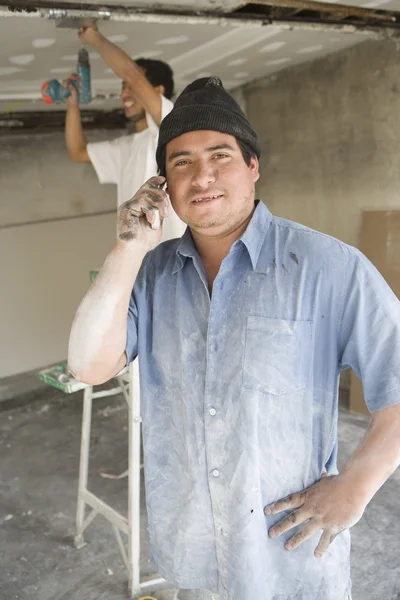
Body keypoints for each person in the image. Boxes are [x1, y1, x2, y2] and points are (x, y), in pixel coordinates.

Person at [68, 76, 400, 600]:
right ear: (164, 185)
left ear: (252, 167)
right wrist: (127, 249)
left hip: (290, 564)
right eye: (181, 162)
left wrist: (354, 488)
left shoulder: (327, 267)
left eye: (219, 155)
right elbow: (87, 365)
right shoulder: (151, 274)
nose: (202, 176)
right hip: (194, 562)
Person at [64, 22, 185, 241]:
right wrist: (73, 104)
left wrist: (94, 37)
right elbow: (78, 151)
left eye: (131, 87)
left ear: (158, 91)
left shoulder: (170, 127)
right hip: (136, 263)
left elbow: (132, 74)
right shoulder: (126, 147)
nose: (125, 94)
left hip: (170, 258)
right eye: (122, 88)